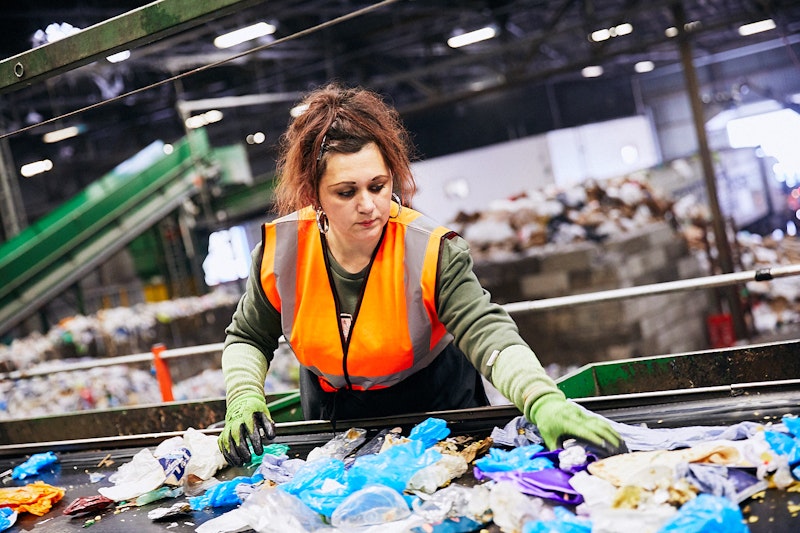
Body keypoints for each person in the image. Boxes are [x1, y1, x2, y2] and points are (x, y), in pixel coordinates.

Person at [218, 83, 623, 466]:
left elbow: (486, 330)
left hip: (436, 414)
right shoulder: (281, 252)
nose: (368, 205)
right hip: (336, 418)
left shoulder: (429, 250)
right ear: (314, 194)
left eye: (378, 186)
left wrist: (542, 399)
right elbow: (248, 336)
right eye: (346, 192)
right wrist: (243, 395)